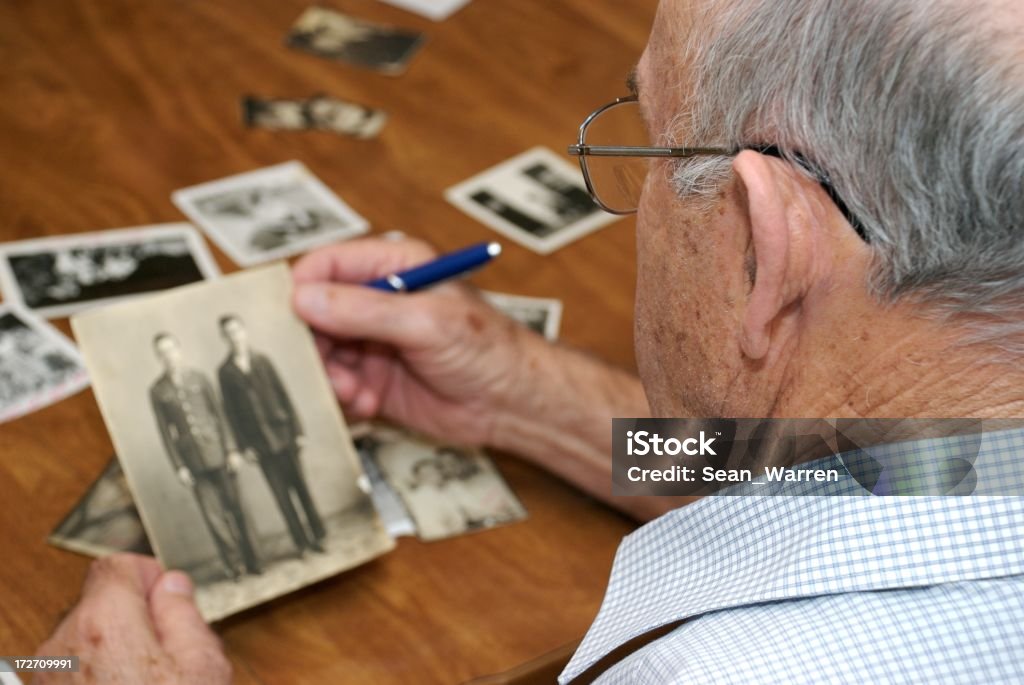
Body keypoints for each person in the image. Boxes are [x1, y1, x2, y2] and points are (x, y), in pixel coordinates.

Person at [35, 0, 1024, 682]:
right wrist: (520, 392)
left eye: (647, 133)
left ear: (762, 251)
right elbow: (876, 479)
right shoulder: (959, 433)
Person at [149, 332, 262, 581]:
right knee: (214, 518)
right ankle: (236, 566)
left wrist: (232, 449)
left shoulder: (199, 378)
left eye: (171, 350)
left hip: (219, 453)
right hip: (193, 462)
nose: (169, 356)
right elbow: (165, 433)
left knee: (238, 508)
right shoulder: (158, 391)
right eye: (163, 352)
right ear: (159, 357)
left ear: (179, 350)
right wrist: (179, 466)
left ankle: (254, 560)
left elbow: (219, 415)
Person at [216, 314, 326, 557]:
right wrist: (244, 447)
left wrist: (297, 431)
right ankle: (302, 544)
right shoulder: (225, 372)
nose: (235, 337)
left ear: (244, 331)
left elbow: (283, 394)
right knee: (281, 497)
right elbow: (230, 414)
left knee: (302, 489)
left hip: (284, 434)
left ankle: (318, 536)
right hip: (260, 444)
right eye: (229, 333)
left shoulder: (262, 361)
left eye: (237, 331)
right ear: (224, 338)